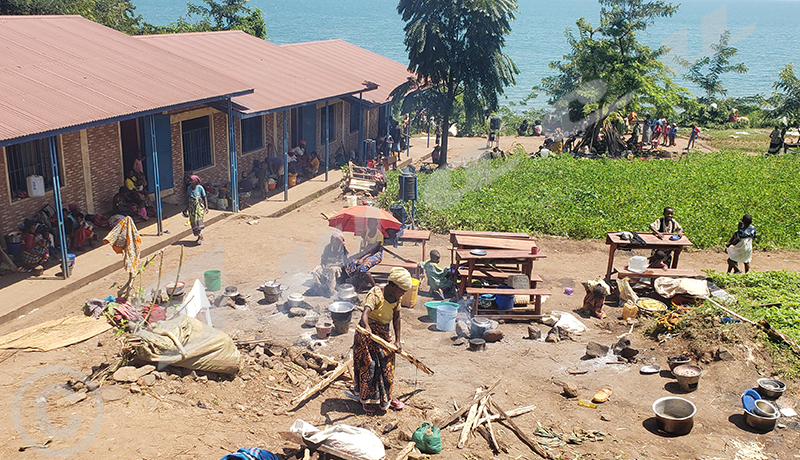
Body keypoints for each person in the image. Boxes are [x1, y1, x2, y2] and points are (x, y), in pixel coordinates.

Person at [354, 267, 412, 413]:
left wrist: (398, 340)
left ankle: (386, 397)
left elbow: (397, 318)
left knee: (387, 367)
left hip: (383, 334)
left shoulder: (396, 298)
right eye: (402, 290)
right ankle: (366, 399)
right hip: (367, 334)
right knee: (370, 366)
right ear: (392, 286)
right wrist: (367, 327)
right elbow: (365, 313)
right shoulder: (376, 293)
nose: (403, 294)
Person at [186, 175, 208, 245]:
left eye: (192, 181)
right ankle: (200, 236)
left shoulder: (200, 188)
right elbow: (188, 199)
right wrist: (186, 209)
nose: (190, 182)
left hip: (199, 208)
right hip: (192, 209)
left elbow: (204, 197)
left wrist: (206, 207)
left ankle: (200, 236)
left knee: (199, 223)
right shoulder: (189, 188)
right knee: (193, 223)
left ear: (195, 182)